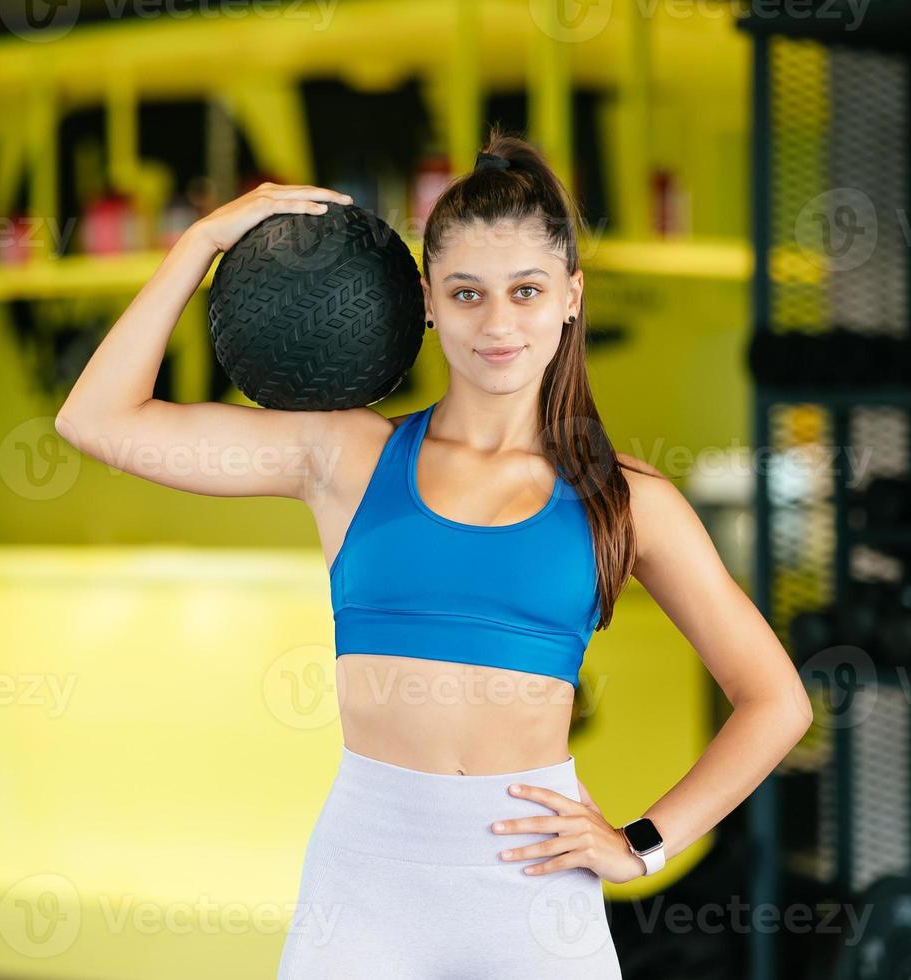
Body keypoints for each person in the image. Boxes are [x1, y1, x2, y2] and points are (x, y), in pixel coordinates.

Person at [54, 126, 812, 979]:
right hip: (365, 880)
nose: (497, 324)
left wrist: (643, 845)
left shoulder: (630, 501)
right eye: (466, 293)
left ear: (571, 295)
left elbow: (775, 702)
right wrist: (199, 243)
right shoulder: (343, 457)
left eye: (526, 292)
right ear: (425, 301)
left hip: (531, 888)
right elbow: (96, 420)